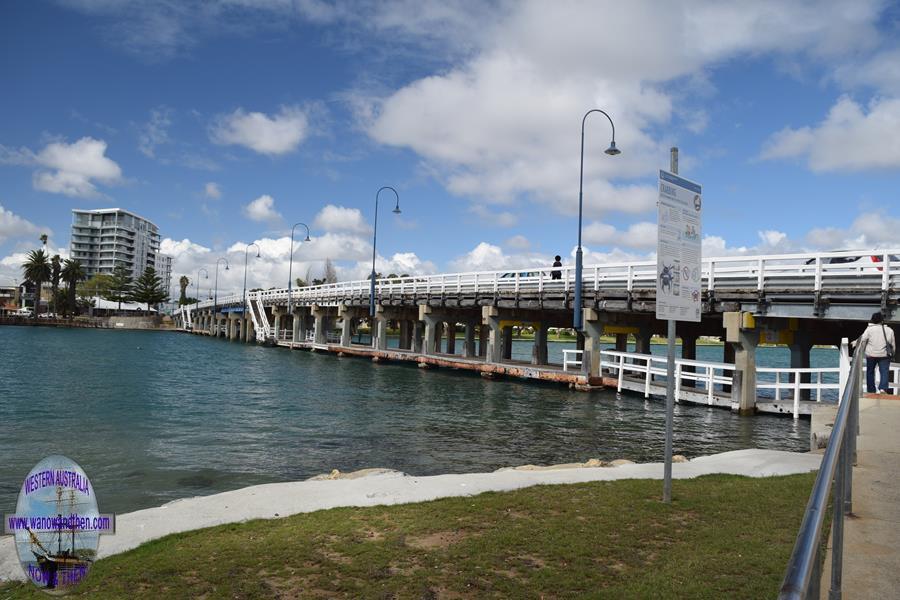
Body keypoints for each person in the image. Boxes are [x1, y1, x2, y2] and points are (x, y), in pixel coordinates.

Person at [854, 312, 896, 393]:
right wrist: (893, 353)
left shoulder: (869, 329)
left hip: (871, 355)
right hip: (884, 355)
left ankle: (871, 390)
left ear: (873, 320)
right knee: (884, 372)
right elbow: (892, 344)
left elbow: (862, 339)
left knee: (870, 372)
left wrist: (855, 342)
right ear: (882, 320)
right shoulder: (889, 330)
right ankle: (883, 388)